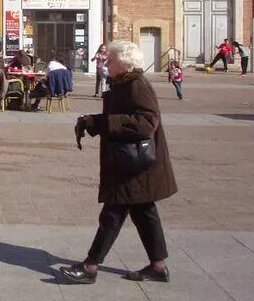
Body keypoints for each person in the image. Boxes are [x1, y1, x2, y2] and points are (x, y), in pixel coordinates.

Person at [61, 40, 177, 285]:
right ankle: (158, 266)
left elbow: (146, 123)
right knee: (145, 213)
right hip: (132, 162)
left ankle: (91, 266)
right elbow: (118, 117)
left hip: (134, 164)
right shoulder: (123, 84)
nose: (106, 62)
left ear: (123, 64)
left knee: (113, 213)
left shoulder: (136, 85)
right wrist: (93, 121)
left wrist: (105, 123)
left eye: (110, 60)